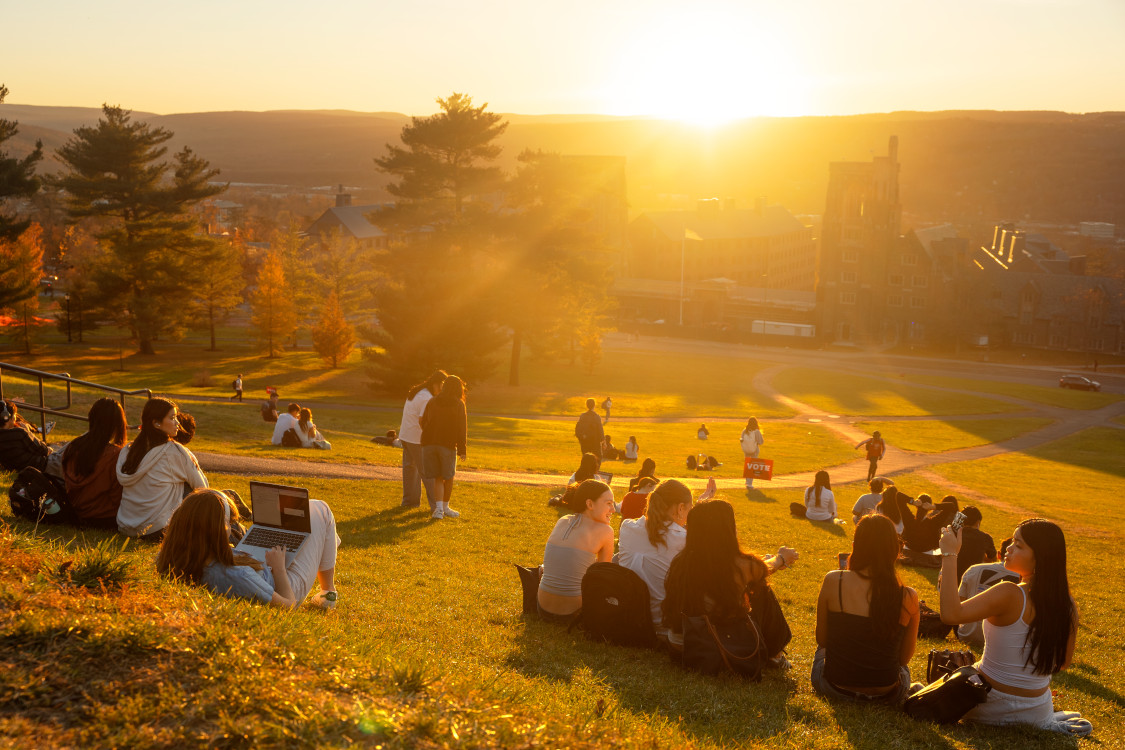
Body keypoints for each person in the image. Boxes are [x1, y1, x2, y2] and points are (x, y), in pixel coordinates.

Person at [937, 519, 1091, 735]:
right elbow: (1063, 663)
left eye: (1018, 545)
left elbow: (951, 614)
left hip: (989, 705)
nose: (1008, 548)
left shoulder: (1009, 593)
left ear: (1040, 557)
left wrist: (950, 554)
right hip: (1038, 710)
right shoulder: (1068, 604)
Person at [662, 500, 798, 664]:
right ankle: (775, 656)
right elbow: (764, 568)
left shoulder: (681, 562)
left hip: (679, 647)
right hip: (715, 648)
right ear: (727, 530)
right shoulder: (740, 565)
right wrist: (781, 557)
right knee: (762, 590)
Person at [156, 489, 340, 609]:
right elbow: (288, 605)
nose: (231, 528)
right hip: (284, 585)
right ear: (217, 530)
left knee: (311, 512)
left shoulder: (173, 557)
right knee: (320, 509)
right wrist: (278, 568)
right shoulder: (239, 575)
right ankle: (327, 594)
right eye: (229, 523)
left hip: (261, 565)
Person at [812, 514, 921, 704]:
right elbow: (903, 659)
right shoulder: (909, 596)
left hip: (836, 687)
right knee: (902, 670)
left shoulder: (834, 581)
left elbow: (822, 639)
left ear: (855, 546)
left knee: (821, 652)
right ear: (895, 551)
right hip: (887, 694)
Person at [618, 478, 720, 635]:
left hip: (629, 621)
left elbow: (664, 531)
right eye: (689, 510)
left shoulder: (627, 528)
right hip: (665, 627)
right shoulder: (685, 540)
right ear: (680, 508)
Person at [116, 398, 208, 540]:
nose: (177, 423)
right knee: (195, 492)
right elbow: (203, 489)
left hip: (126, 527)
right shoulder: (174, 451)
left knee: (228, 494)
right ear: (156, 423)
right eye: (172, 418)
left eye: (176, 417)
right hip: (157, 530)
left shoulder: (128, 450)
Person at [537, 480, 616, 622]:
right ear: (590, 504)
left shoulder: (563, 520)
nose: (613, 509)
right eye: (608, 503)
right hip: (573, 614)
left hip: (542, 608)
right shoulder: (605, 531)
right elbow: (603, 579)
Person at [59, 398, 127, 529]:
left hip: (76, 511)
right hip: (105, 517)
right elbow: (117, 496)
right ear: (117, 424)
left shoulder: (73, 447)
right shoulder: (114, 454)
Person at [956, 538, 1020, 646]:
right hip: (1003, 641)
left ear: (999, 554)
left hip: (967, 635)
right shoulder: (1025, 578)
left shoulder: (974, 569)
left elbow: (959, 603)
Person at [421, 374, 467, 520]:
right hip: (447, 445)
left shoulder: (433, 401)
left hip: (429, 443)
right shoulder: (459, 404)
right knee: (449, 476)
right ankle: (445, 507)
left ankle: (439, 509)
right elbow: (462, 428)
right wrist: (462, 450)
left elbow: (424, 420)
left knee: (438, 478)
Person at [398, 370, 446, 511]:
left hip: (406, 435)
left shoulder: (419, 391)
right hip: (416, 438)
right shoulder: (426, 397)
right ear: (437, 384)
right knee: (428, 472)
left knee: (410, 469)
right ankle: (437, 506)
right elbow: (422, 421)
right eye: (442, 386)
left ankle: (409, 502)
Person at [0, 399, 51, 474]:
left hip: (23, 467)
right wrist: (28, 432)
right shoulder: (19, 433)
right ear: (6, 417)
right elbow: (44, 450)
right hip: (43, 465)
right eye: (14, 415)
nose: (15, 418)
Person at [956, 505, 996, 583]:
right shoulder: (985, 537)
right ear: (978, 522)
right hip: (973, 578)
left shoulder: (954, 533)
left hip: (951, 576)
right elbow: (993, 559)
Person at [740, 417, 764, 489]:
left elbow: (741, 439)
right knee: (752, 466)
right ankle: (749, 483)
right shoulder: (756, 431)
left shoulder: (744, 431)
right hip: (754, 451)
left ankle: (747, 481)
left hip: (746, 451)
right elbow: (761, 442)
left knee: (747, 465)